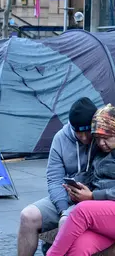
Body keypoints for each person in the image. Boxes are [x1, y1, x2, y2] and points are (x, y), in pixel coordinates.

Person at [17, 97, 98, 256]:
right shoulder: (61, 138)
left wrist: (88, 197)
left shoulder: (101, 138)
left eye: (87, 131)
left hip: (92, 198)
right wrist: (62, 208)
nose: (83, 137)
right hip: (64, 196)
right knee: (27, 216)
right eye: (78, 132)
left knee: (66, 222)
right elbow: (54, 179)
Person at [47, 104, 115, 256]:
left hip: (105, 208)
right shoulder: (100, 152)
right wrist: (80, 188)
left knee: (82, 211)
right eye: (97, 138)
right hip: (104, 214)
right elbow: (94, 178)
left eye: (107, 138)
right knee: (79, 247)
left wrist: (92, 196)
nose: (101, 143)